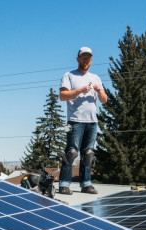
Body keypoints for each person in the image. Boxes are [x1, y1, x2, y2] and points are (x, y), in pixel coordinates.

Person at [58, 46, 107, 195]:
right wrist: (80, 90)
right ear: (78, 59)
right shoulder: (69, 76)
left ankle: (86, 184)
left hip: (92, 121)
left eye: (88, 57)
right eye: (83, 56)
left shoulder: (96, 78)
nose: (86, 59)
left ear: (91, 60)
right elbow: (62, 96)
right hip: (74, 121)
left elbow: (104, 100)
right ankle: (64, 184)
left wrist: (99, 91)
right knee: (71, 152)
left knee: (88, 153)